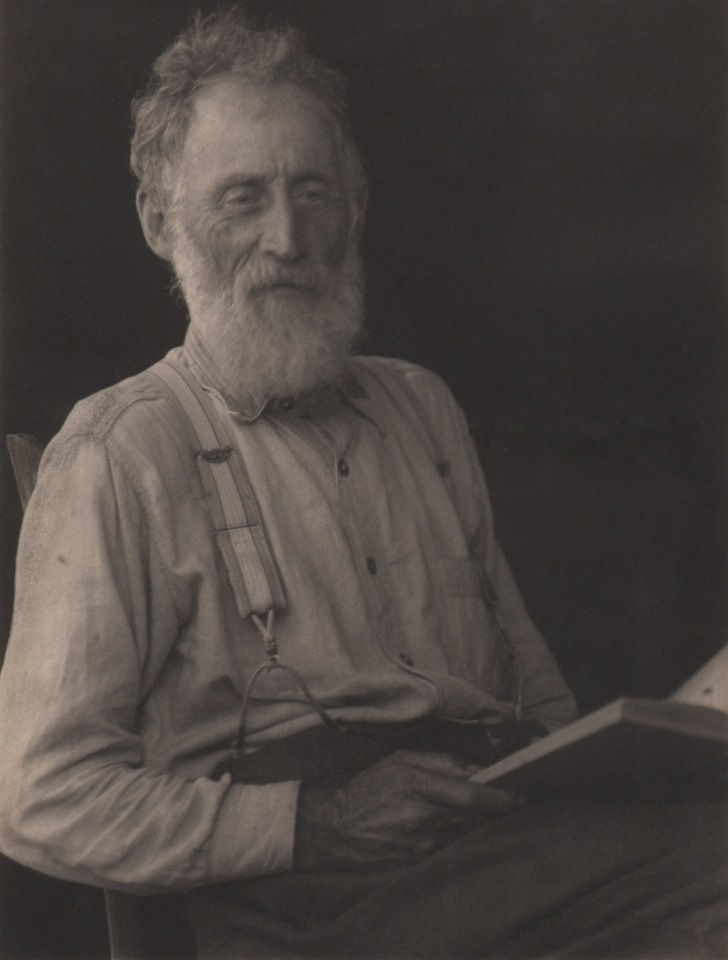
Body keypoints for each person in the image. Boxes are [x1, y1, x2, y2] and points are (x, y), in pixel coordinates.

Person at [0, 9, 725, 959]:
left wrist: (602, 767)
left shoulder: (422, 408)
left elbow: (534, 699)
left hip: (497, 844)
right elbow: (37, 796)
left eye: (314, 191)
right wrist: (311, 821)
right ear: (158, 222)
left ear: (359, 205)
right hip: (310, 901)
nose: (289, 238)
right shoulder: (119, 452)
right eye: (242, 198)